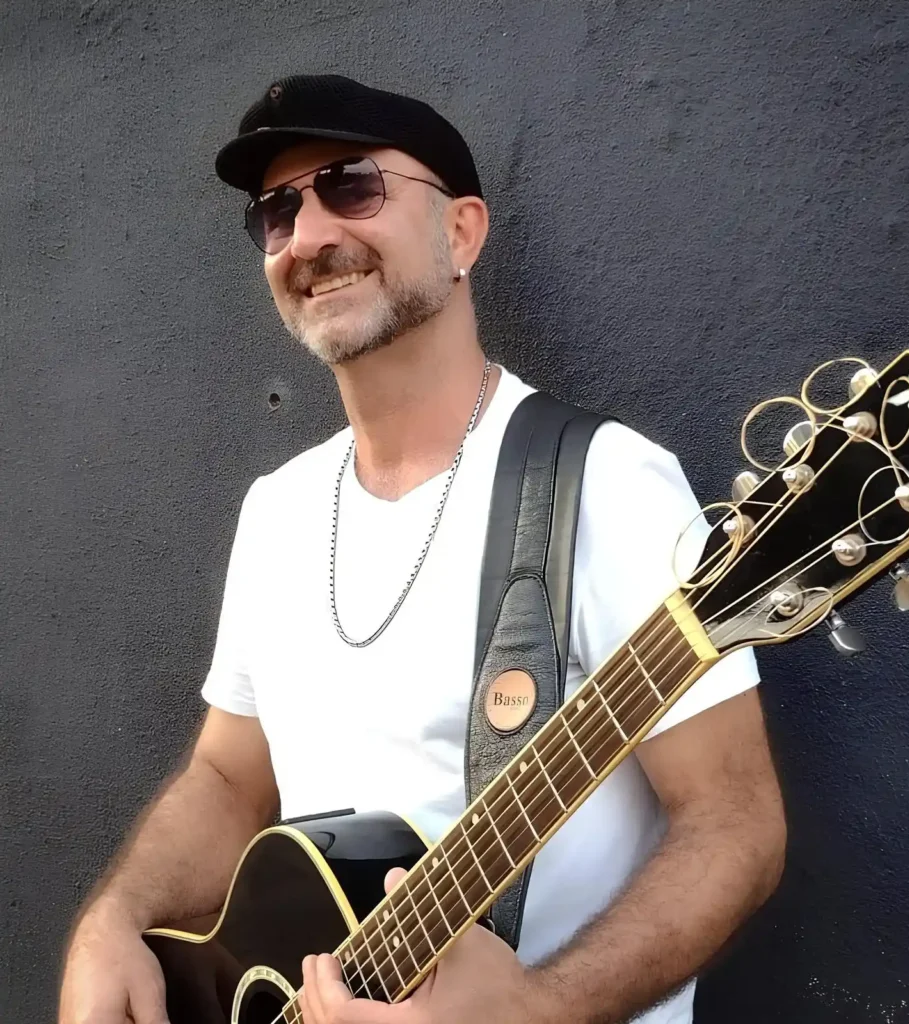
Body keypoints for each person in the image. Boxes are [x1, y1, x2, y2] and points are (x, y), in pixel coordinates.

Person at [58, 74, 786, 1024]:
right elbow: (229, 780)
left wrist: (538, 1009)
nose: (308, 237)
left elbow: (735, 826)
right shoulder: (277, 511)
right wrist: (115, 917)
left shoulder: (603, 482)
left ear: (462, 233)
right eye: (277, 211)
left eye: (350, 185)